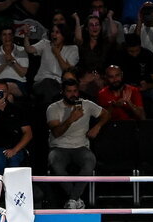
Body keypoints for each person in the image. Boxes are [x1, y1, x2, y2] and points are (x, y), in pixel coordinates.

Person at [46, 78, 111, 209]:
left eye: (75, 91)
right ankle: (76, 199)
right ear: (63, 92)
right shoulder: (53, 108)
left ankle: (72, 200)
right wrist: (71, 119)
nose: (73, 94)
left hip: (80, 147)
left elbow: (106, 114)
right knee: (55, 163)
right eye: (69, 91)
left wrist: (97, 126)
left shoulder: (86, 104)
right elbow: (56, 133)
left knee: (90, 160)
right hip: (59, 147)